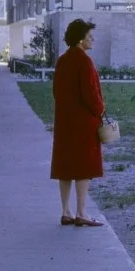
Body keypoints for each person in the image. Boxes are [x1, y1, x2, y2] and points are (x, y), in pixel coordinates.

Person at [51, 19, 106, 226]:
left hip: (65, 120)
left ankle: (66, 211)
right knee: (84, 167)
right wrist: (100, 109)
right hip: (83, 122)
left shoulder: (62, 60)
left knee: (65, 166)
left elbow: (56, 91)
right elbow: (90, 93)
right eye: (90, 36)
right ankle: (82, 212)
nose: (93, 40)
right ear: (81, 39)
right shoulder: (84, 61)